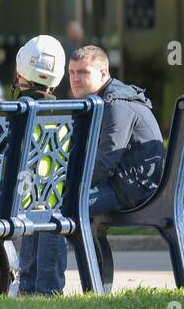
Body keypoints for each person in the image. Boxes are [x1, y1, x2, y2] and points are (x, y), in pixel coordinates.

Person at [67, 45, 165, 216]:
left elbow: (105, 163)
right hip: (122, 183)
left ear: (103, 73)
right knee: (50, 202)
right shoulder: (98, 101)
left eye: (83, 72)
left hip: (133, 188)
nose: (75, 79)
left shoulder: (116, 104)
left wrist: (70, 186)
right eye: (71, 72)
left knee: (61, 206)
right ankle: (80, 244)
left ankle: (61, 244)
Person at [9, 35, 69, 295]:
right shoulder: (73, 116)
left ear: (20, 72)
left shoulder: (14, 116)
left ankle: (30, 287)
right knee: (46, 204)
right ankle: (43, 290)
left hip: (10, 202)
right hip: (53, 200)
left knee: (34, 203)